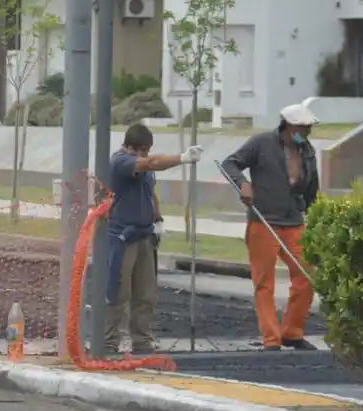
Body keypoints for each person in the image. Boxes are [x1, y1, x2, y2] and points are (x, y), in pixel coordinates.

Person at [221, 104, 321, 351]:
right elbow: (230, 164)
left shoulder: (307, 151)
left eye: (309, 128)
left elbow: (312, 189)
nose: (306, 132)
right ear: (288, 125)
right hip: (263, 221)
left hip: (294, 221)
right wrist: (243, 183)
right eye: (302, 128)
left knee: (307, 275)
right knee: (264, 283)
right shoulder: (261, 143)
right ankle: (271, 339)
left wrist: (314, 214)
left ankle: (292, 332)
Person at [101, 124, 202, 355]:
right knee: (117, 292)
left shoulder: (144, 168)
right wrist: (183, 158)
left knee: (145, 294)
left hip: (144, 235)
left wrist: (157, 218)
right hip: (121, 237)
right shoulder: (120, 162)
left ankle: (141, 341)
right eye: (140, 150)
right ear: (128, 147)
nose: (143, 155)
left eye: (146, 150)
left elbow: (149, 192)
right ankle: (108, 342)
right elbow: (151, 163)